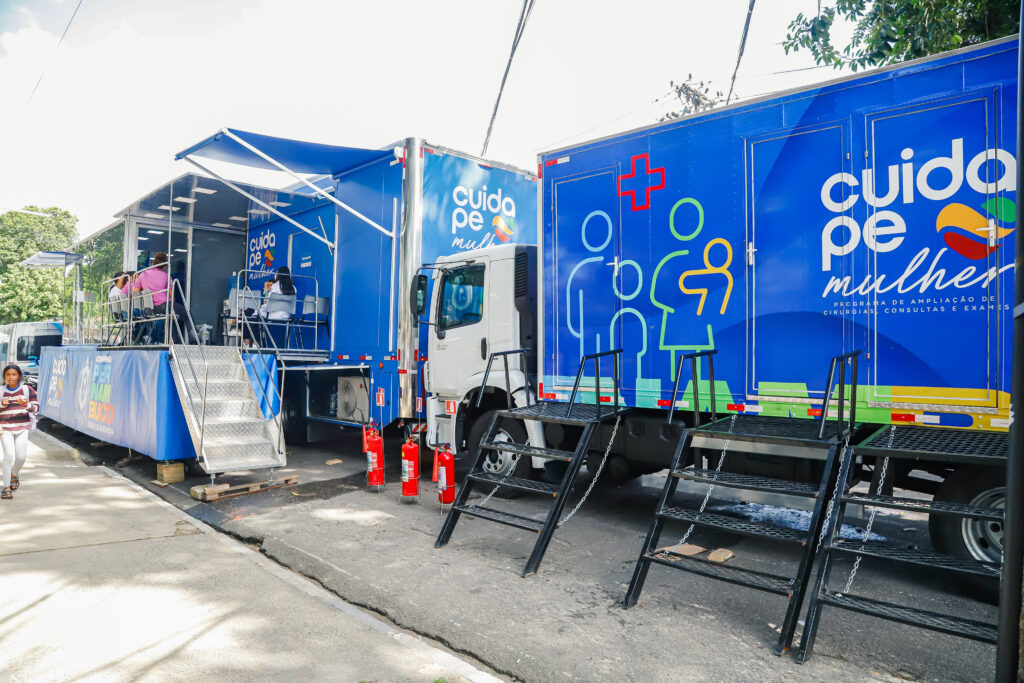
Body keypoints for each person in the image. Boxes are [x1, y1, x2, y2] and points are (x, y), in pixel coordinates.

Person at [134, 253, 196, 343]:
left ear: (153, 263)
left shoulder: (144, 274)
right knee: (187, 315)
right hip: (163, 305)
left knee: (171, 316)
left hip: (149, 309)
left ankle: (173, 342)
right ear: (164, 266)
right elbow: (172, 296)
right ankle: (194, 339)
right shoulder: (166, 276)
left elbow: (135, 292)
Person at [1, 364, 39, 500]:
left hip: (22, 428)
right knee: (8, 456)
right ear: (4, 377)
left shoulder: (27, 390)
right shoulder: (1, 391)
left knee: (21, 458)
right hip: (5, 428)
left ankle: (14, 474)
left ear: (19, 376)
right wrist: (2, 404)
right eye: (8, 375)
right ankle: (6, 487)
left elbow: (36, 409)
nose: (11, 377)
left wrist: (25, 404)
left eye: (14, 374)